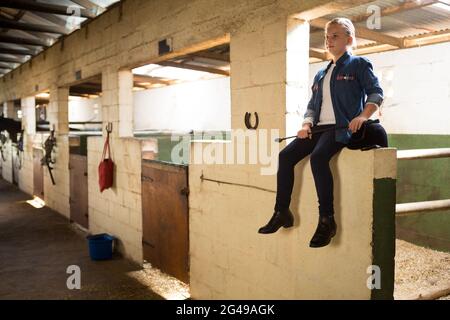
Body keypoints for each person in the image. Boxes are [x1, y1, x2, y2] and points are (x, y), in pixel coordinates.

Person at [258, 18, 387, 248]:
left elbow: (376, 93)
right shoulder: (320, 74)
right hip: (318, 129)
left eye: (335, 36)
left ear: (349, 39)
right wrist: (306, 125)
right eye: (327, 36)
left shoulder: (358, 64)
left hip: (340, 129)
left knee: (318, 158)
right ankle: (282, 212)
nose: (329, 41)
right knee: (285, 157)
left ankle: (327, 220)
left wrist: (362, 117)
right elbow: (312, 106)